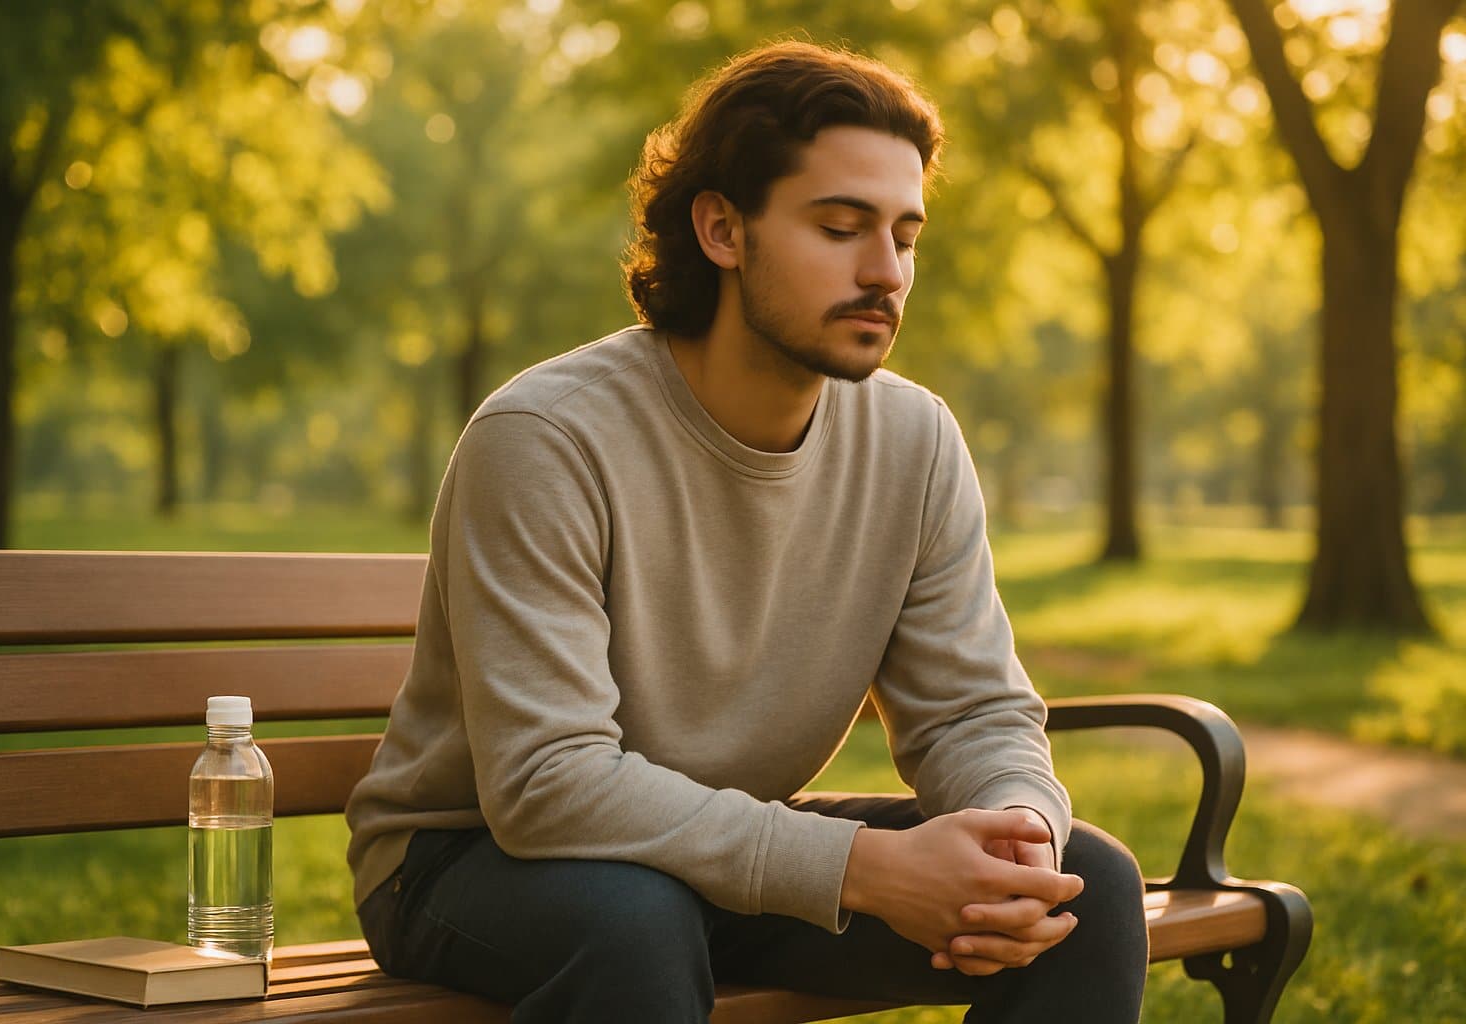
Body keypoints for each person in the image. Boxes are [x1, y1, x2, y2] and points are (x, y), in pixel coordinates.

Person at [345, 40, 1148, 1023]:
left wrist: (1019, 834)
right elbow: (545, 784)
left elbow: (972, 712)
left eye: (904, 234)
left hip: (715, 857)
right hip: (475, 858)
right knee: (635, 919)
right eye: (842, 227)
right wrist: (862, 868)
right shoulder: (546, 437)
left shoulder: (916, 440)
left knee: (1087, 892)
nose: (884, 270)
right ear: (723, 228)